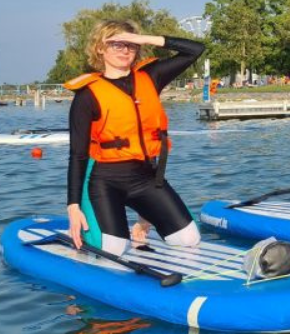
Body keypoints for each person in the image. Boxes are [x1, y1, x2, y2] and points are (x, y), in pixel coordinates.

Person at [65, 20, 203, 255]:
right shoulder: (87, 95)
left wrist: (144, 39)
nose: (125, 50)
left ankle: (142, 220)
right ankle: (91, 231)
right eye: (116, 44)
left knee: (188, 240)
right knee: (114, 251)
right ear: (100, 48)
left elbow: (196, 50)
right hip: (105, 182)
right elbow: (77, 154)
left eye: (130, 45)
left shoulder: (151, 77)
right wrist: (73, 206)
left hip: (146, 179)